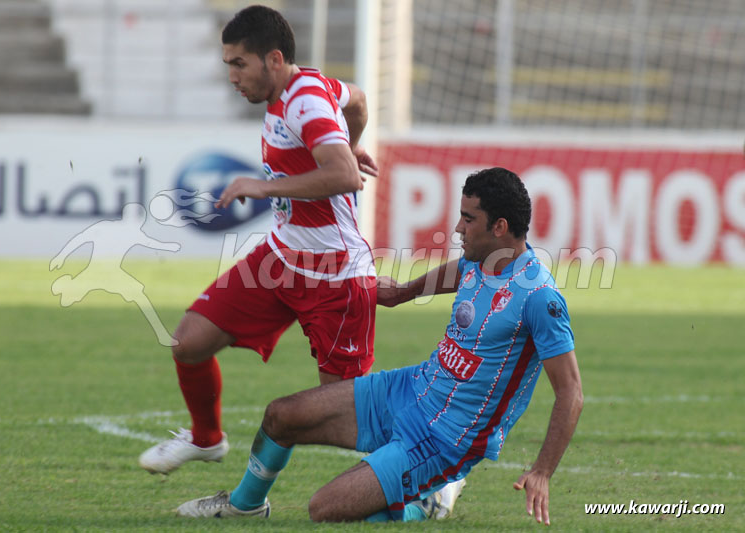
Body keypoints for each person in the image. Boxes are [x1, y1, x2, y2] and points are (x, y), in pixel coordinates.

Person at [174, 167, 584, 524]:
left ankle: (430, 501)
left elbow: (570, 393)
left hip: (445, 438)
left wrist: (543, 471)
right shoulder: (481, 259)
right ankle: (244, 507)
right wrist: (403, 292)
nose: (458, 227)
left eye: (467, 218)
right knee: (282, 415)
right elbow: (460, 271)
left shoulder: (539, 298)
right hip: (408, 390)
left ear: (499, 227)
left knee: (325, 509)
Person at [138, 5, 380, 475]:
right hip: (282, 257)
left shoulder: (305, 100)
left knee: (350, 417)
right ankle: (206, 440)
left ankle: (438, 468)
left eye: (238, 64)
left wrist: (265, 186)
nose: (231, 75)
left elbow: (345, 176)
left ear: (272, 59)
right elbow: (359, 100)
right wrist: (347, 139)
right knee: (188, 342)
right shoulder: (313, 87)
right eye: (227, 63)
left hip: (334, 275)